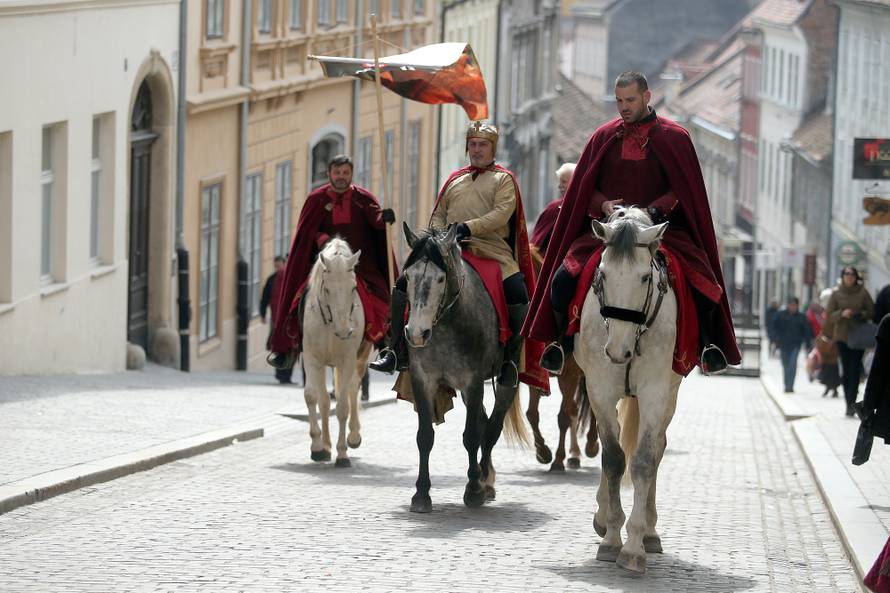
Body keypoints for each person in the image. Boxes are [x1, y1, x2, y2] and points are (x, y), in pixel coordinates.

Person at [522, 70, 741, 375]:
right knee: (561, 280)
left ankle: (709, 345)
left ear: (647, 97)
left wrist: (655, 210)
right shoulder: (603, 136)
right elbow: (584, 188)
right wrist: (603, 204)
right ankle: (559, 344)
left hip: (659, 232)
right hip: (609, 233)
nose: (624, 107)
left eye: (630, 100)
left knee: (704, 284)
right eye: (619, 100)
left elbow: (683, 189)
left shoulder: (675, 137)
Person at [371, 121, 544, 390]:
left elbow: (501, 213)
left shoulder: (504, 179)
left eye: (482, 145)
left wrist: (468, 227)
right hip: (449, 249)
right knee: (404, 284)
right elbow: (439, 212)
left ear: (493, 148)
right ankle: (396, 351)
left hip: (492, 250)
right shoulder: (455, 179)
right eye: (473, 145)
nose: (477, 150)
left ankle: (510, 359)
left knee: (518, 293)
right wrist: (441, 236)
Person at [268, 155, 396, 370]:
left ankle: (386, 345)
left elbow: (374, 219)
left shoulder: (362, 198)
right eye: (337, 173)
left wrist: (383, 219)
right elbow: (306, 231)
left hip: (359, 264)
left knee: (382, 297)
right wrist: (321, 239)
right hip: (323, 263)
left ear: (351, 174)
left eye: (345, 173)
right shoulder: (316, 200)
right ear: (329, 174)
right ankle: (287, 348)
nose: (341, 177)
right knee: (296, 297)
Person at [825, 266, 875, 416]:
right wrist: (842, 313)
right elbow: (829, 315)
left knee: (854, 369)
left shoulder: (863, 292)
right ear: (843, 276)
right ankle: (848, 403)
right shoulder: (836, 293)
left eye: (852, 274)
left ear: (856, 277)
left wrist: (859, 314)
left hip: (858, 336)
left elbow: (872, 311)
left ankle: (853, 401)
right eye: (846, 274)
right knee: (847, 370)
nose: (849, 276)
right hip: (842, 336)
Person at [260, 255, 294, 384]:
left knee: (280, 344)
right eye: (275, 265)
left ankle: (283, 374)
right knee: (286, 346)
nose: (277, 268)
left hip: (280, 318)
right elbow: (265, 297)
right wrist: (263, 313)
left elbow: (264, 297)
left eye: (278, 264)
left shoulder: (276, 279)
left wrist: (263, 313)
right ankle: (283, 374)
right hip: (281, 318)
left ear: (284, 263)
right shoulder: (273, 279)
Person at [530, 162, 576, 254]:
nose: (559, 186)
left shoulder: (586, 208)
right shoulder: (553, 209)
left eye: (564, 182)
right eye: (560, 182)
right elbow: (536, 244)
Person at [770, 296, 813, 393]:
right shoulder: (780, 315)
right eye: (791, 305)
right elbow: (773, 327)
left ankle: (790, 386)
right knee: (785, 365)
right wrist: (775, 339)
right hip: (783, 344)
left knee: (792, 365)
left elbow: (806, 331)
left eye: (794, 305)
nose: (792, 307)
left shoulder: (802, 317)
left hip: (795, 345)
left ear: (797, 306)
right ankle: (787, 385)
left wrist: (807, 344)